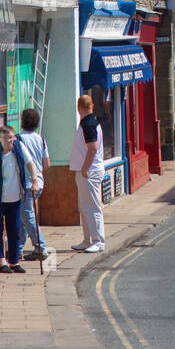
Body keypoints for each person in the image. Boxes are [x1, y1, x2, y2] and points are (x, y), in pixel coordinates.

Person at [0, 124, 40, 275]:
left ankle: (14, 261)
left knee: (14, 230)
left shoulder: (19, 148)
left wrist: (35, 181)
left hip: (15, 198)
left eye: (11, 138)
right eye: (6, 139)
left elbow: (30, 164)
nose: (10, 142)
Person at [69, 94, 106, 251]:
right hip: (86, 171)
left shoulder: (89, 125)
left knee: (92, 206)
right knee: (84, 207)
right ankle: (87, 240)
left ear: (79, 108)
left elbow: (93, 149)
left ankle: (98, 241)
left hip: (89, 172)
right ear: (92, 106)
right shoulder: (89, 122)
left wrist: (84, 169)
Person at [17, 107, 50, 261]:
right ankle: (17, 249)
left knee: (27, 217)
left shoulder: (18, 139)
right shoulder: (41, 139)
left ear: (22, 121)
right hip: (40, 184)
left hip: (26, 184)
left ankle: (41, 248)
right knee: (24, 217)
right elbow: (46, 164)